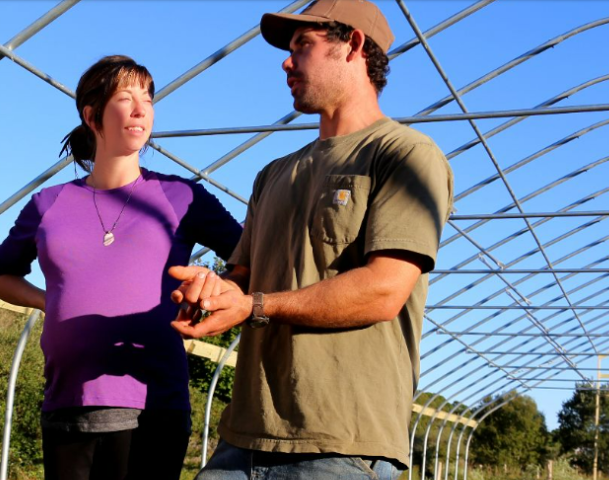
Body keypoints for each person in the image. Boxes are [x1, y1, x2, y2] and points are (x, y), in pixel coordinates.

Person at [168, 1, 454, 479]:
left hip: (341, 443)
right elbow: (242, 281)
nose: (286, 60)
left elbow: (384, 290)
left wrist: (255, 305)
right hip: (245, 436)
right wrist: (212, 292)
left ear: (354, 45)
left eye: (304, 44)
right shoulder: (273, 174)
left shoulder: (404, 154)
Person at [0, 55, 244, 480]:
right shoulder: (48, 204)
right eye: (126, 98)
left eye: (148, 98)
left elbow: (248, 255)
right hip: (66, 400)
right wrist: (52, 303)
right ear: (92, 115)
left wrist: (218, 287)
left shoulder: (182, 197)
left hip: (152, 402)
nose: (141, 109)